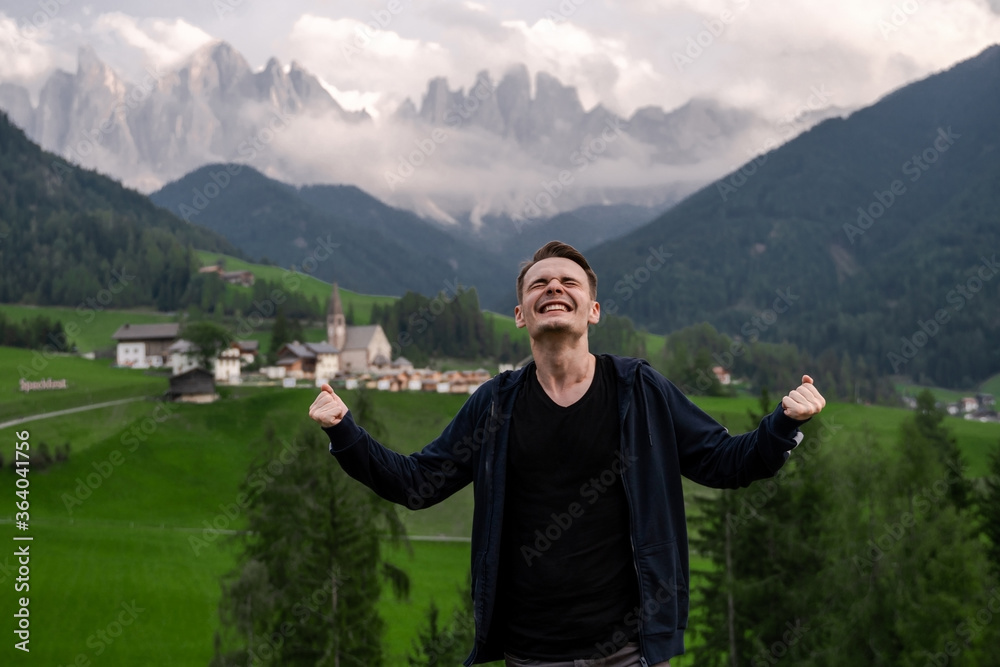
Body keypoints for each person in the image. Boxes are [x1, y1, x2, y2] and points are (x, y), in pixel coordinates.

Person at [309, 241, 826, 667]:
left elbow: (725, 462)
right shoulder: (494, 405)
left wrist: (784, 423)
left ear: (593, 310)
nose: (553, 287)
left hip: (631, 653)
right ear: (520, 314)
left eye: (568, 282)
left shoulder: (640, 390)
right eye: (539, 283)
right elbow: (417, 483)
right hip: (531, 653)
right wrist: (346, 432)